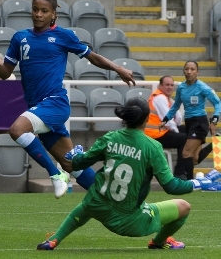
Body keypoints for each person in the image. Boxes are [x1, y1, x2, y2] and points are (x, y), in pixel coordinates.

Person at [0, 0, 135, 198]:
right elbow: (6, 72)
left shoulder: (63, 36)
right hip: (38, 108)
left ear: (53, 14)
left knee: (17, 130)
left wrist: (118, 69)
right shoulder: (20, 38)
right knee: (71, 163)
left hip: (55, 103)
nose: (38, 14)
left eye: (44, 11)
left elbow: (92, 57)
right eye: (35, 9)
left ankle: (55, 174)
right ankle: (110, 199)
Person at [37, 97, 211, 251]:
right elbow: (171, 186)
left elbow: (78, 163)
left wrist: (76, 156)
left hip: (97, 206)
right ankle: (159, 242)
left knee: (90, 201)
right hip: (129, 222)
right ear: (146, 118)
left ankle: (54, 240)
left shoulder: (110, 138)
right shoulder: (152, 147)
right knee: (184, 207)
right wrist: (198, 183)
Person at [159, 61, 221, 180]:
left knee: (185, 153)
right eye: (187, 69)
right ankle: (215, 143)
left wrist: (214, 121)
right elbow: (176, 105)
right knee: (195, 159)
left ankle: (190, 182)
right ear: (183, 71)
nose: (189, 72)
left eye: (192, 69)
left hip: (200, 122)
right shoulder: (182, 87)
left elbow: (217, 103)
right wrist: (165, 119)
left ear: (197, 72)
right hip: (189, 123)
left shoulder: (202, 87)